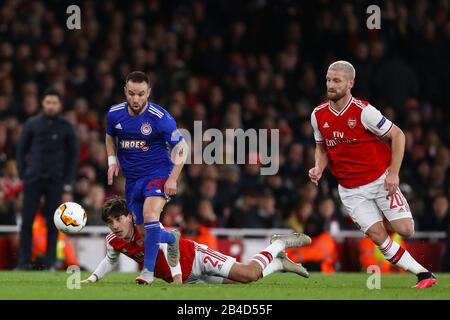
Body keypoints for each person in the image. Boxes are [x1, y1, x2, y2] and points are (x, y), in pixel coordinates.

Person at [309, 60, 436, 288]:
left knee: (405, 230)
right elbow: (322, 148)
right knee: (379, 237)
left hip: (379, 180)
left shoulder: (364, 112)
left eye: (336, 81)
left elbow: (398, 135)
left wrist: (394, 173)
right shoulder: (318, 115)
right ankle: (424, 274)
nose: (330, 85)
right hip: (349, 190)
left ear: (350, 83)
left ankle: (388, 212)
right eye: (328, 80)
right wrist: (318, 167)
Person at [82, 196, 311, 285]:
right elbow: (110, 260)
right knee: (244, 282)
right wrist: (92, 279)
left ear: (130, 217)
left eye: (118, 220)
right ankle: (280, 264)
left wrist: (177, 277)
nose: (114, 226)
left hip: (196, 258)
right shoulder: (115, 239)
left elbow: (169, 244)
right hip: (188, 280)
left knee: (248, 274)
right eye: (109, 222)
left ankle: (279, 243)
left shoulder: (149, 228)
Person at [105, 71, 189, 285]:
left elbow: (182, 147)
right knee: (143, 234)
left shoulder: (160, 118)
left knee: (151, 215)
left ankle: (147, 273)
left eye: (141, 94)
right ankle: (171, 238)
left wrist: (172, 179)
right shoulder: (114, 114)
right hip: (132, 180)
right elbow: (109, 135)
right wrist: (112, 161)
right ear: (125, 91)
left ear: (148, 92)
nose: (136, 99)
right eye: (132, 94)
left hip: (158, 174)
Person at [16, 88, 79, 270]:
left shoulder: (67, 127)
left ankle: (50, 262)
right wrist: (23, 174)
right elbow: (21, 151)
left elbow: (73, 157)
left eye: (54, 103)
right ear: (42, 104)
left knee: (54, 223)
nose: (51, 106)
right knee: (27, 221)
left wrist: (67, 184)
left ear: (60, 105)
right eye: (48, 102)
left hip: (55, 180)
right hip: (33, 179)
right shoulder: (31, 124)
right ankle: (24, 262)